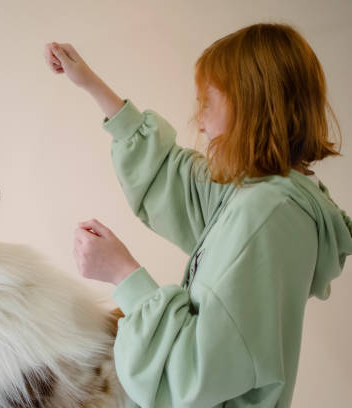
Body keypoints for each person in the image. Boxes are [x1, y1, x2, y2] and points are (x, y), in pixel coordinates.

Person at [44, 23, 352, 408]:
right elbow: (176, 174)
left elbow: (190, 376)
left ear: (251, 105)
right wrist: (90, 83)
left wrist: (123, 274)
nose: (200, 121)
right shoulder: (267, 197)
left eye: (208, 102)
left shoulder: (266, 216)